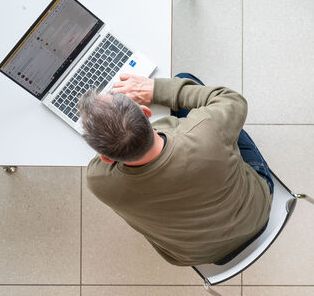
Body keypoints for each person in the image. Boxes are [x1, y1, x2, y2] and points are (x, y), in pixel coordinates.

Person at [78, 73, 273, 266]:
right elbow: (232, 99)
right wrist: (155, 90)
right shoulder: (206, 131)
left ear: (106, 157)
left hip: (198, 256)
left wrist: (113, 136)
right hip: (256, 214)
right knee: (183, 79)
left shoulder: (100, 183)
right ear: (146, 112)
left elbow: (97, 165)